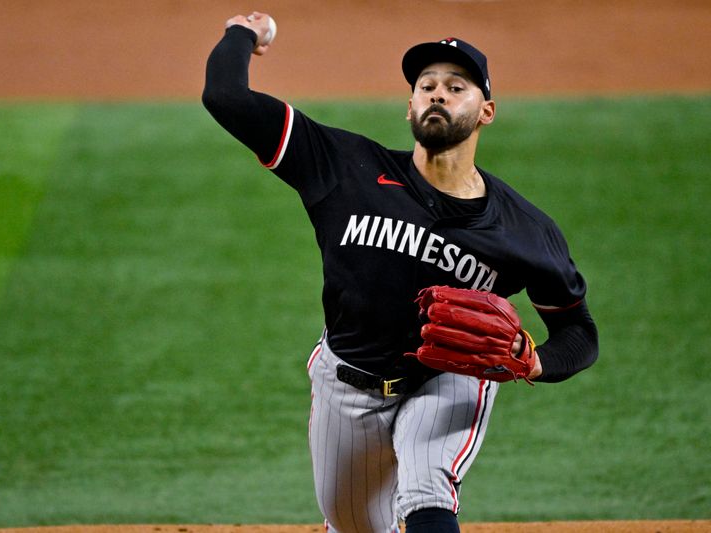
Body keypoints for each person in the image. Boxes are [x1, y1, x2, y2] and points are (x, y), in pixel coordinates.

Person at [202, 12, 599, 533]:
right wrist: (242, 32)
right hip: (347, 380)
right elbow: (225, 98)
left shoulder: (525, 231)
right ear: (409, 106)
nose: (438, 94)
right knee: (354, 524)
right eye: (426, 86)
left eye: (457, 87)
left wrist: (533, 361)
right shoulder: (344, 167)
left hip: (450, 377)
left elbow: (579, 332)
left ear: (486, 111)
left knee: (426, 489)